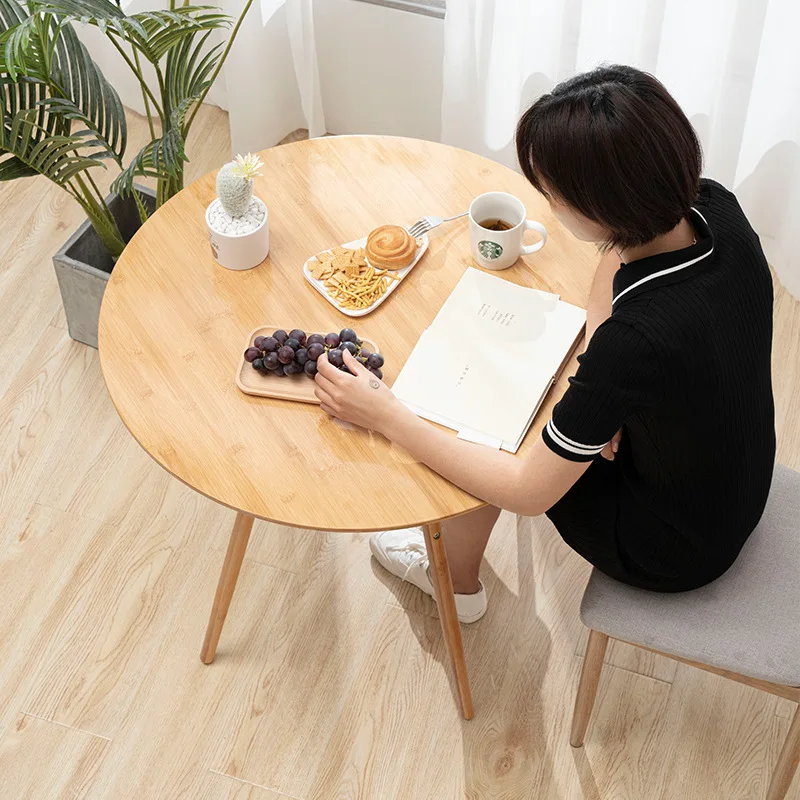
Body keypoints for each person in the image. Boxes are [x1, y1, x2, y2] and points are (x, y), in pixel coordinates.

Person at [313, 65, 776, 622]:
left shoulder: (638, 341)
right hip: (736, 481)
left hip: (672, 547)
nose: (549, 203)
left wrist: (387, 415)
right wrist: (610, 387)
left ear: (602, 206)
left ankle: (455, 586)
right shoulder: (709, 206)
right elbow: (615, 255)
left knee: (496, 415)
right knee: (543, 391)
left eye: (553, 193)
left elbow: (528, 492)